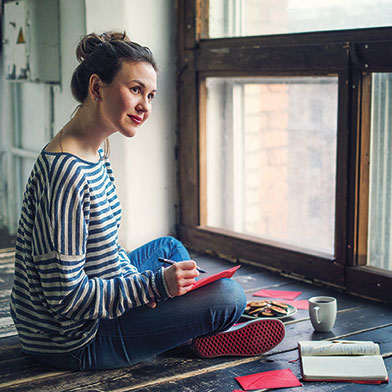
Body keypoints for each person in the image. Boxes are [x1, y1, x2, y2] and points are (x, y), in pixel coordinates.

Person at [10, 31, 285, 371]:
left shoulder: (94, 150)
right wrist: (151, 287)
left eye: (151, 95)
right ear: (97, 88)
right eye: (135, 89)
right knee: (230, 297)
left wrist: (147, 288)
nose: (145, 106)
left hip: (89, 306)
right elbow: (65, 299)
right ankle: (191, 332)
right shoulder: (66, 173)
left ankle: (187, 328)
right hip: (72, 341)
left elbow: (104, 251)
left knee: (167, 249)